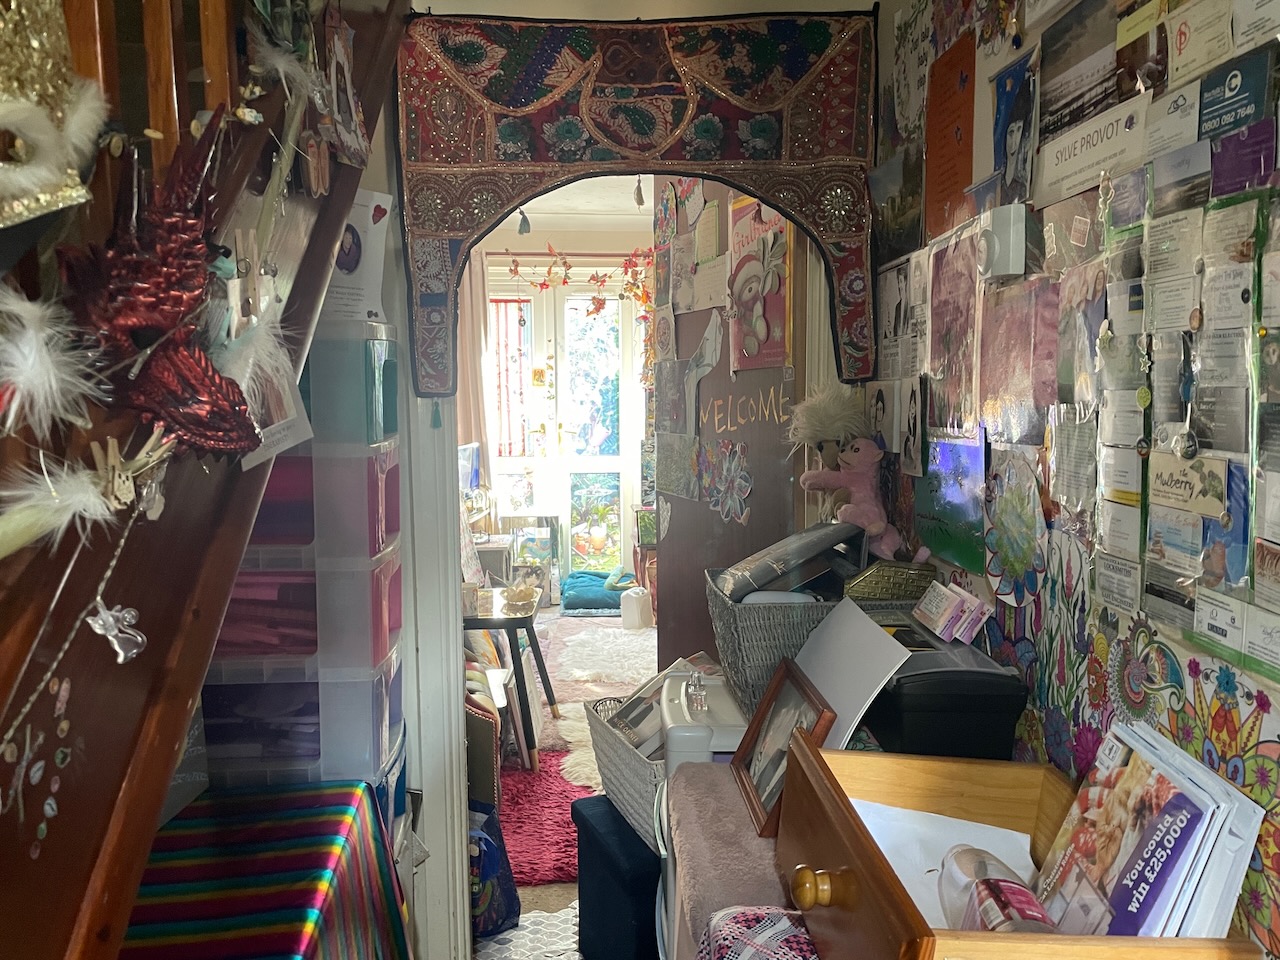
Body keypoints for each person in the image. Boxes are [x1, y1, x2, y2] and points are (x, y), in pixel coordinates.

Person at [1000, 78, 1034, 204]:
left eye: (1019, 129)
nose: (1014, 141)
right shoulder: (998, 187)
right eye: (1011, 132)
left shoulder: (1022, 187)